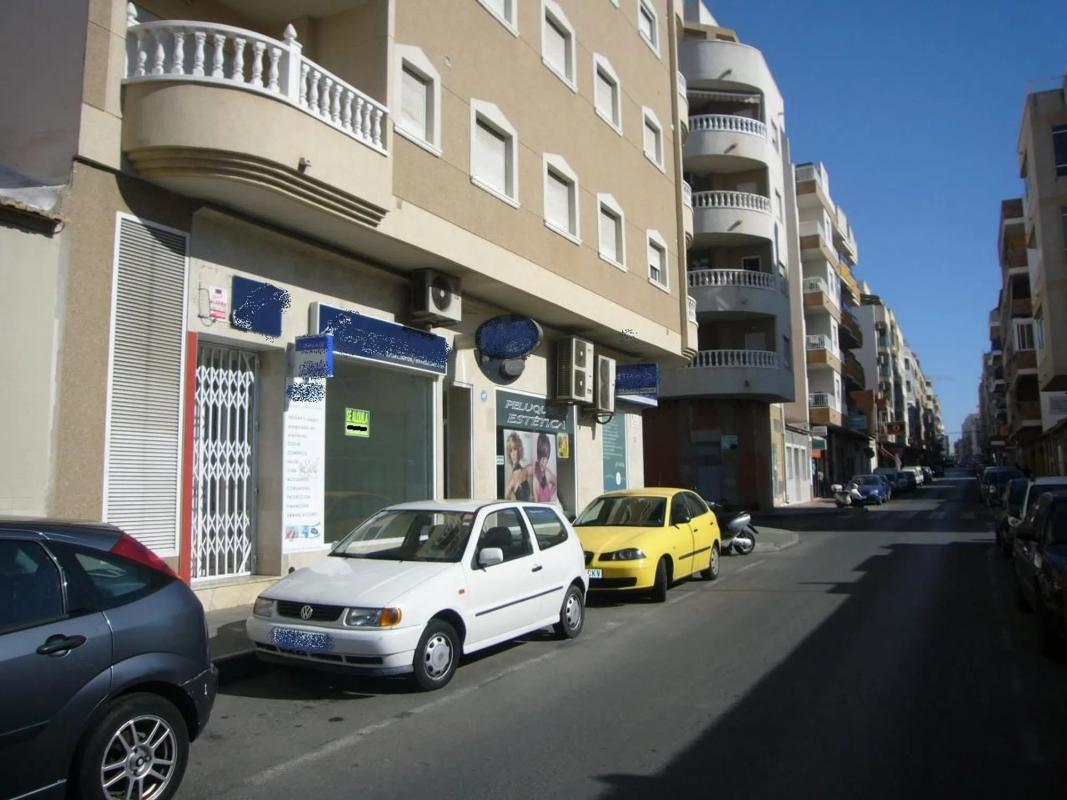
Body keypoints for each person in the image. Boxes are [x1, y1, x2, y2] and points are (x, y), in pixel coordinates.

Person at [504, 432, 533, 501]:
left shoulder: (526, 470)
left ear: (519, 450)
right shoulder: (512, 480)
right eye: (510, 451)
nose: (513, 454)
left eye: (515, 449)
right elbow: (506, 497)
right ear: (509, 454)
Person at [533, 432, 558, 503]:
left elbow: (556, 483)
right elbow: (535, 504)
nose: (544, 460)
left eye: (546, 456)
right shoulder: (535, 478)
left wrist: (550, 495)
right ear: (538, 455)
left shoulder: (548, 473)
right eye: (542, 456)